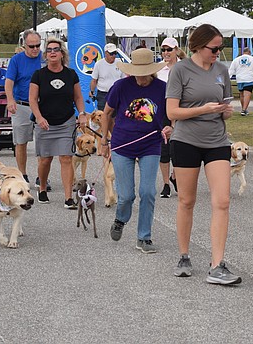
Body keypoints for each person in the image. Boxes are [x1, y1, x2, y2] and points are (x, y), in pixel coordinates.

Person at [166, 24, 240, 285]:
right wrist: (201, 109)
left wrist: (224, 111)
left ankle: (218, 264)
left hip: (217, 140)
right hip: (186, 140)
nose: (218, 53)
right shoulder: (180, 70)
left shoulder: (221, 70)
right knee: (187, 201)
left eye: (220, 48)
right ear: (198, 46)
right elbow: (172, 112)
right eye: (214, 48)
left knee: (222, 201)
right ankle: (184, 255)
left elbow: (227, 104)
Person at [99, 48, 171, 253]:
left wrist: (170, 126)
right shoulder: (120, 86)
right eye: (136, 73)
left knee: (147, 192)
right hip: (123, 144)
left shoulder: (162, 88)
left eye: (144, 73)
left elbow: (172, 114)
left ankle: (144, 237)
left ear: (151, 71)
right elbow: (106, 114)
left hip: (150, 144)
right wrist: (104, 141)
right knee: (126, 195)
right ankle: (121, 219)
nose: (139, 78)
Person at [29, 37, 89, 208]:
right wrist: (39, 117)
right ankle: (42, 188)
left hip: (66, 122)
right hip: (45, 123)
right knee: (45, 160)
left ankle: (68, 197)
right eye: (49, 50)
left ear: (62, 54)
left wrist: (82, 113)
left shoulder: (70, 74)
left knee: (65, 158)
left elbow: (78, 97)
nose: (53, 52)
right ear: (45, 55)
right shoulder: (39, 75)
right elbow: (33, 99)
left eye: (56, 49)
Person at [5, 30, 44, 182]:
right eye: (31, 46)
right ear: (24, 45)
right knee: (21, 141)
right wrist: (10, 99)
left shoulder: (45, 58)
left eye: (38, 46)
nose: (35, 49)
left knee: (43, 142)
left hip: (42, 105)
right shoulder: (16, 60)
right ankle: (22, 174)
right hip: (22, 104)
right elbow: (9, 81)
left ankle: (42, 175)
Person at [156, 36, 180, 198]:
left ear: (176, 50)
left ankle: (175, 176)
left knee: (179, 148)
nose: (166, 52)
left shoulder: (184, 67)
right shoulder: (158, 70)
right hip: (163, 112)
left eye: (169, 49)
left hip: (181, 111)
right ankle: (166, 183)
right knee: (164, 150)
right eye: (163, 49)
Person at [90, 43, 123, 110]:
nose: (113, 56)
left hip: (116, 93)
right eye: (111, 53)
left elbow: (123, 79)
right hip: (103, 94)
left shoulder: (120, 63)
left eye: (115, 53)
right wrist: (92, 91)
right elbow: (94, 80)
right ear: (106, 53)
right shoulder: (99, 64)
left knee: (116, 115)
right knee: (102, 115)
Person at [228, 47, 253, 116]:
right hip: (249, 78)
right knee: (247, 94)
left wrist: (228, 78)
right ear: (249, 52)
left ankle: (243, 108)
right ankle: (244, 109)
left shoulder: (236, 59)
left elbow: (231, 70)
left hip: (239, 79)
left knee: (242, 95)